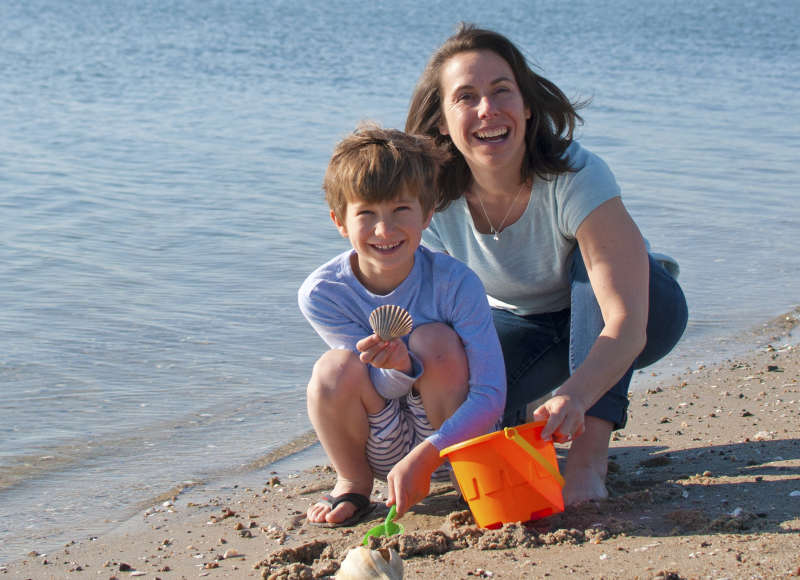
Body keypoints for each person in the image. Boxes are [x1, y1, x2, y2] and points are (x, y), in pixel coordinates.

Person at [406, 24, 688, 506]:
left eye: (501, 91)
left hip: (638, 312)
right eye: (466, 97)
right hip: (528, 321)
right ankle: (538, 413)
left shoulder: (576, 176)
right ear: (441, 121)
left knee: (589, 272)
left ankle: (588, 460)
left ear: (528, 106)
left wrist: (577, 396)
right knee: (470, 398)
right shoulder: (428, 195)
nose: (487, 110)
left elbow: (625, 324)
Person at [298, 124, 506, 526]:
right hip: (384, 448)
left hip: (456, 441)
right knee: (333, 367)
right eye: (366, 214)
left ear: (428, 213)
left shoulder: (457, 283)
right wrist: (400, 370)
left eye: (400, 210)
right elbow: (366, 385)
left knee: (435, 340)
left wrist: (431, 450)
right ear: (339, 220)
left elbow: (492, 394)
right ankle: (353, 482)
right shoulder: (323, 293)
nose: (384, 230)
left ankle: (468, 477)